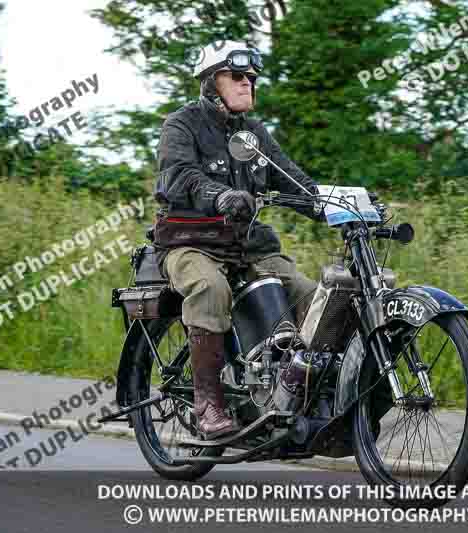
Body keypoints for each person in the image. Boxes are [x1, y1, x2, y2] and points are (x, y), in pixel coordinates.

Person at [152, 40, 323, 439]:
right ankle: (209, 404)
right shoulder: (181, 125)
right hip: (189, 243)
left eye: (252, 77)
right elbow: (179, 177)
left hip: (246, 248)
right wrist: (221, 195)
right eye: (238, 76)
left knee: (314, 298)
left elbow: (296, 182)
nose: (248, 83)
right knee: (210, 289)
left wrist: (345, 206)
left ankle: (296, 397)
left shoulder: (255, 134)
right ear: (212, 82)